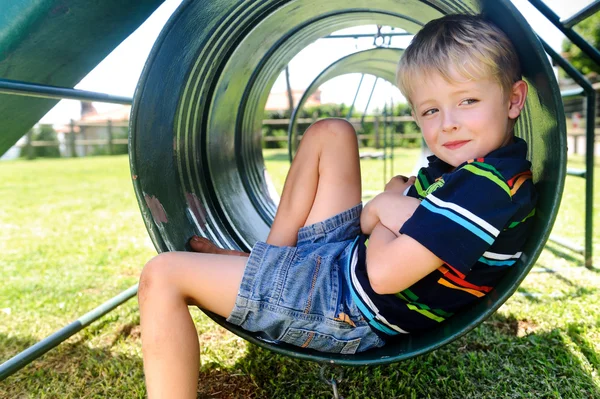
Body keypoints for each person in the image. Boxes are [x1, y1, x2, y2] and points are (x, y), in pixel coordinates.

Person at [137, 13, 537, 398]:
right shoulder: (473, 171)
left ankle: (266, 271)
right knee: (331, 132)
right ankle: (269, 260)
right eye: (431, 110)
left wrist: (387, 203)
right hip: (344, 264)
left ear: (514, 99)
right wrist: (391, 211)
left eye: (467, 100)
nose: (448, 122)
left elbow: (382, 273)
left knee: (163, 275)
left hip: (347, 306)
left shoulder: (487, 189)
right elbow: (365, 222)